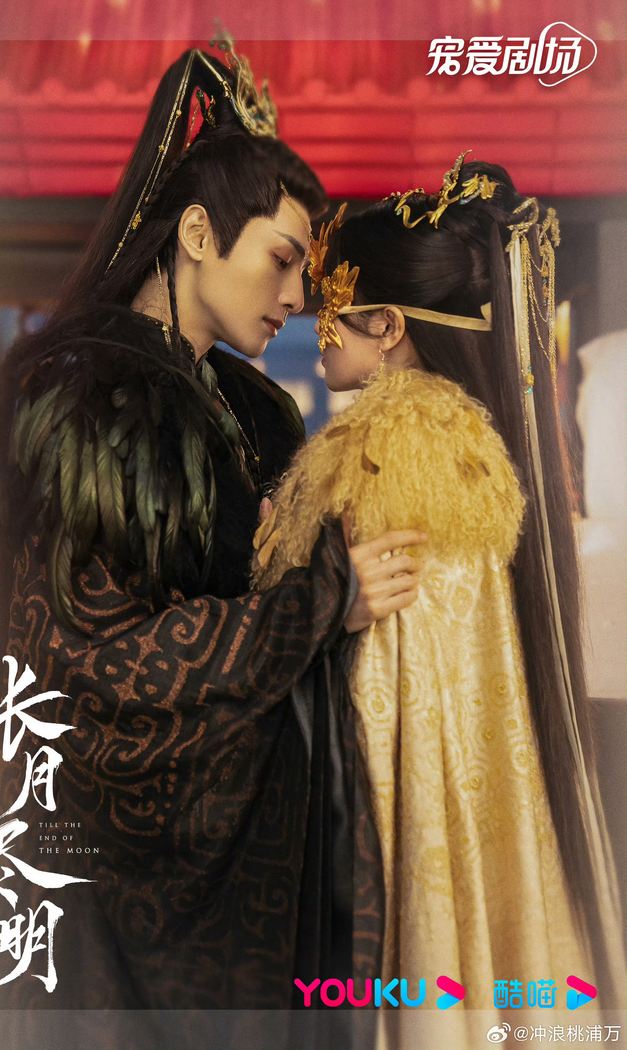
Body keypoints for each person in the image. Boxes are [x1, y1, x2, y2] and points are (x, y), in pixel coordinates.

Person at [0, 44, 424, 1022]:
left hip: (239, 873)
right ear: (198, 231)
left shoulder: (255, 410)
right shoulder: (81, 397)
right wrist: (316, 600)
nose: (298, 298)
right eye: (281, 259)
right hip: (101, 884)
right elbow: (90, 658)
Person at [253, 155, 627, 1038]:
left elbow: (368, 676)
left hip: (390, 810)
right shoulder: (466, 441)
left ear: (386, 324)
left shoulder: (382, 450)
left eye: (331, 298)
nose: (308, 314)